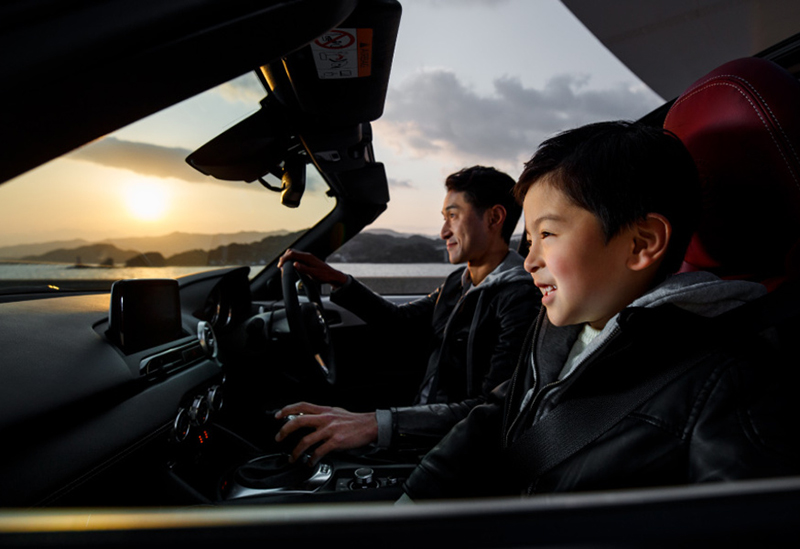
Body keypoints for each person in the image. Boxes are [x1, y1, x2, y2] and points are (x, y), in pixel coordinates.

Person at [401, 121, 799, 500]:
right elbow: (500, 411)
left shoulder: (729, 383)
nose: (528, 260)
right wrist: (417, 495)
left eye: (548, 234)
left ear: (641, 244)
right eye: (530, 238)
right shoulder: (559, 328)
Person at [274, 165, 540, 466]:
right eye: (444, 218)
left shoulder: (520, 297)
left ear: (494, 218)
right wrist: (340, 281)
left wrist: (377, 424)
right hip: (419, 427)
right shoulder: (457, 282)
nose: (443, 232)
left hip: (453, 450)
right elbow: (399, 323)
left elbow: (492, 409)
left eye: (453, 216)